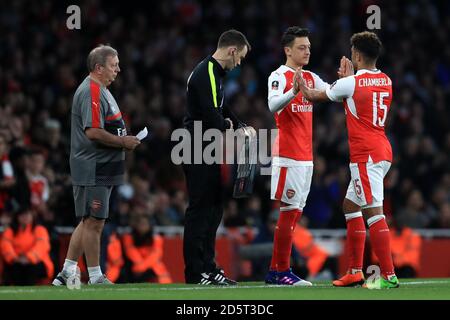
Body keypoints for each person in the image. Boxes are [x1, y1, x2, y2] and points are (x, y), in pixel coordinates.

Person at [298, 31, 399, 288]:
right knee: (350, 206)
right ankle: (355, 271)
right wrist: (346, 82)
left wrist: (299, 78)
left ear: (356, 55)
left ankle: (388, 276)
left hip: (365, 155)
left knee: (374, 213)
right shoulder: (386, 80)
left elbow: (312, 96)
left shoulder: (350, 83)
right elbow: (358, 99)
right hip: (382, 150)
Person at [52, 45, 141, 286]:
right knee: (94, 222)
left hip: (102, 166)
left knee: (89, 220)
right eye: (114, 65)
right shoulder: (91, 90)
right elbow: (92, 131)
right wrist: (123, 141)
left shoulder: (100, 89)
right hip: (94, 166)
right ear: (98, 68)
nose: (118, 70)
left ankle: (67, 272)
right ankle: (95, 276)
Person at [265, 27, 339, 286]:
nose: (307, 51)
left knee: (295, 214)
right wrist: (293, 91)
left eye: (308, 47)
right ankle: (280, 271)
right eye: (301, 47)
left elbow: (331, 92)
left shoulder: (309, 76)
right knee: (288, 212)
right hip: (287, 155)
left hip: (305, 157)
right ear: (288, 50)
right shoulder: (278, 75)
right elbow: (272, 104)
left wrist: (349, 82)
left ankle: (277, 270)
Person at [182, 29, 254, 285]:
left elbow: (222, 109)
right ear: (232, 50)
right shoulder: (207, 72)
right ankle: (196, 271)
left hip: (207, 148)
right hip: (196, 147)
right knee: (200, 211)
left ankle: (209, 268)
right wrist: (231, 127)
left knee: (213, 211)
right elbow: (214, 116)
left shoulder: (213, 74)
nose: (239, 63)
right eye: (240, 57)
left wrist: (240, 124)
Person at [0, 207, 54, 285]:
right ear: (17, 217)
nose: (25, 217)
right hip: (16, 262)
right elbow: (5, 246)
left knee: (31, 268)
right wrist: (15, 258)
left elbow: (42, 246)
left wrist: (28, 258)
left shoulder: (39, 229)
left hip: (36, 263)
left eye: (27, 214)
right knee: (15, 268)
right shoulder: (10, 231)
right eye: (22, 215)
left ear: (32, 216)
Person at [122, 214, 172, 283]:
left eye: (145, 224)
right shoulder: (128, 238)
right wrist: (139, 266)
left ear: (149, 225)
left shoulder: (156, 239)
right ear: (136, 225)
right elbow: (131, 253)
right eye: (140, 223)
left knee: (158, 269)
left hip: (148, 267)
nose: (142, 226)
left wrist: (141, 267)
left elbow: (155, 256)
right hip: (133, 268)